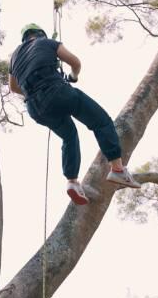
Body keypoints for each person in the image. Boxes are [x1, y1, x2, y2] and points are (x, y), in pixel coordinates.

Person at [8, 23, 141, 205]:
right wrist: (73, 77)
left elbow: (13, 87)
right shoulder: (46, 42)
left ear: (24, 38)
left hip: (35, 107)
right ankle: (117, 169)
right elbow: (75, 62)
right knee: (100, 121)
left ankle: (72, 182)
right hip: (57, 90)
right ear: (40, 34)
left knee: (69, 137)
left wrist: (35, 92)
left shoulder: (14, 57)